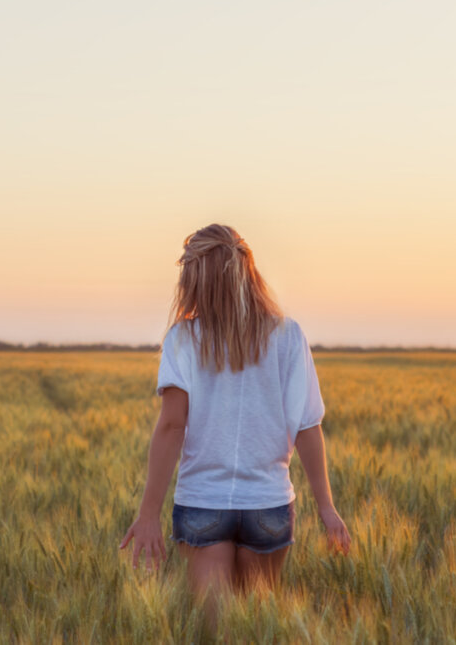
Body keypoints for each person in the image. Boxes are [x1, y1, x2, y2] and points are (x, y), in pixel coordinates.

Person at [119, 224, 351, 622]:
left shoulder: (182, 338)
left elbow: (172, 426)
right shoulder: (288, 336)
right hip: (269, 505)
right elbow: (308, 427)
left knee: (218, 629)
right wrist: (327, 508)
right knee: (255, 629)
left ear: (194, 281)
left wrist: (148, 513)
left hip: (202, 502)